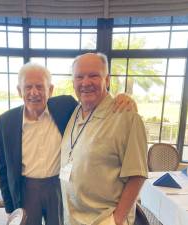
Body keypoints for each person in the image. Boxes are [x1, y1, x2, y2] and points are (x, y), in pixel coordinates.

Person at [0, 62, 137, 225]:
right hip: (26, 189)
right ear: (19, 90)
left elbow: (95, 105)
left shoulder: (66, 106)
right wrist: (9, 208)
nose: (34, 93)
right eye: (28, 87)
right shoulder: (5, 122)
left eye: (40, 87)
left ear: (51, 89)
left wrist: (121, 98)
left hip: (59, 185)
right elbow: (2, 169)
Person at [60, 53, 148, 225]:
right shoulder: (73, 112)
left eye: (93, 75)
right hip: (71, 218)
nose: (85, 83)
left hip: (104, 220)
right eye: (79, 77)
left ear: (107, 80)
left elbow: (137, 175)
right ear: (73, 83)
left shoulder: (127, 118)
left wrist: (116, 220)